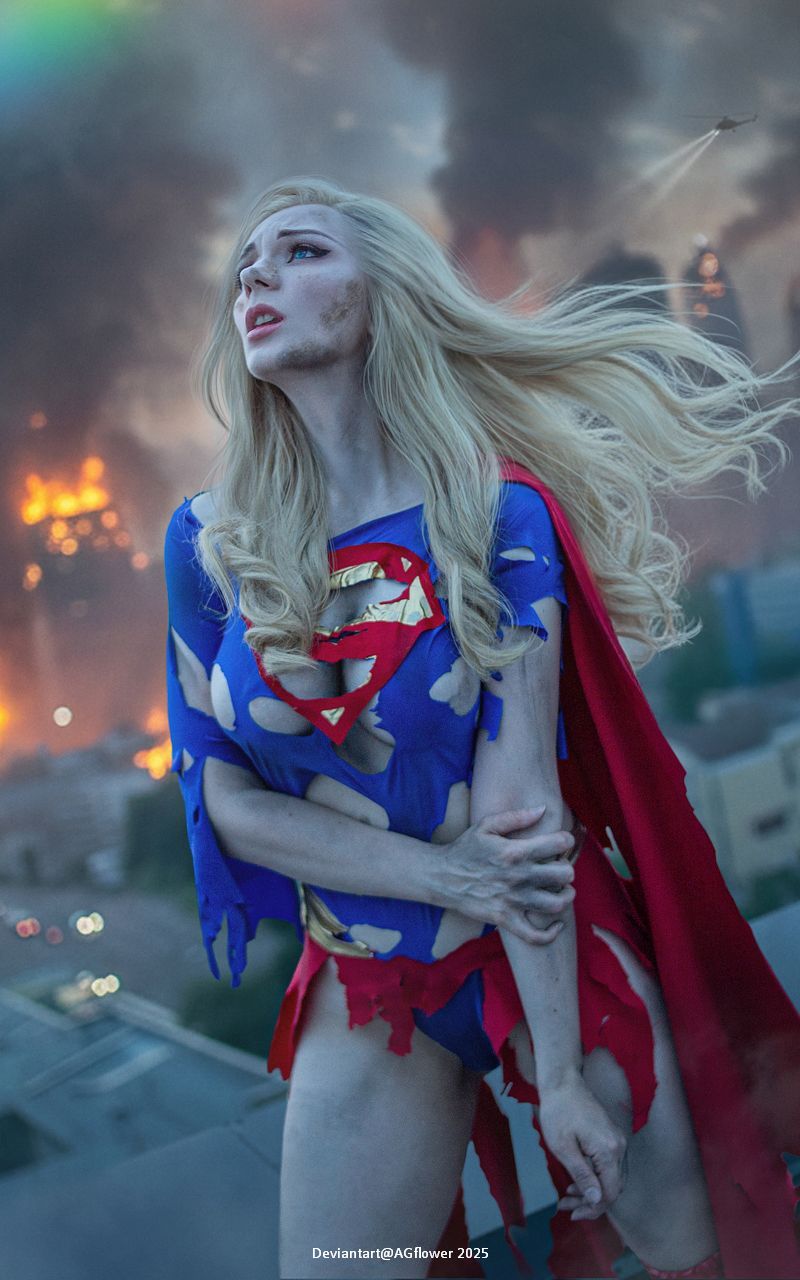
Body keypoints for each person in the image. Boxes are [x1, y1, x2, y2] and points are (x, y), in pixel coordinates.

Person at [164, 176, 800, 1280]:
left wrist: (557, 1075)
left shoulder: (497, 511)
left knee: (699, 1262)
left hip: (551, 952)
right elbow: (225, 801)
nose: (255, 277)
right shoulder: (206, 543)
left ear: (385, 294)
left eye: (299, 251)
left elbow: (521, 802)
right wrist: (447, 877)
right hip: (367, 982)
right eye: (244, 268)